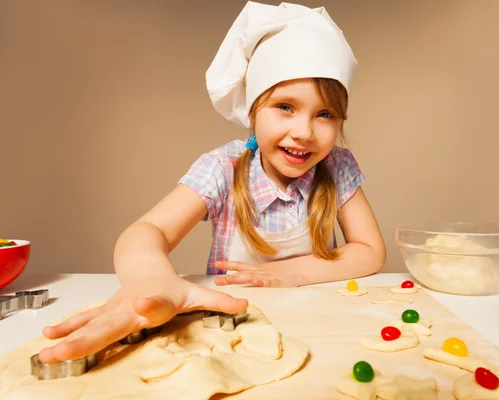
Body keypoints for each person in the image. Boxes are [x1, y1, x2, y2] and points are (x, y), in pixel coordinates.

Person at [38, 1, 385, 365]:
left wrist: (292, 272)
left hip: (319, 328)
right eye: (285, 106)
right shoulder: (224, 168)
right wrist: (150, 278)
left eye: (325, 114)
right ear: (253, 109)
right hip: (233, 331)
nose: (303, 132)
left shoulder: (337, 166)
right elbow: (148, 229)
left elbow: (370, 250)